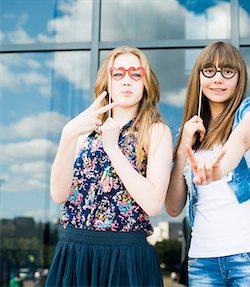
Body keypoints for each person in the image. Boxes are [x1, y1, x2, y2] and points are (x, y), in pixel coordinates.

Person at [46, 46, 172, 286]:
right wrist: (68, 134)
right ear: (107, 80)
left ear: (146, 82)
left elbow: (154, 203)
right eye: (118, 74)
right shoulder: (83, 131)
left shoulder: (155, 131)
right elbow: (58, 193)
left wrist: (113, 148)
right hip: (76, 253)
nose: (127, 80)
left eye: (136, 74)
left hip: (125, 256)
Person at [165, 41, 250, 287]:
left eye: (227, 71)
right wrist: (184, 144)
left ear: (239, 78)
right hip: (202, 260)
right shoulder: (189, 133)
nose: (218, 79)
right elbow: (173, 208)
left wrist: (220, 167)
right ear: (199, 76)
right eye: (209, 71)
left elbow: (242, 138)